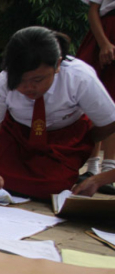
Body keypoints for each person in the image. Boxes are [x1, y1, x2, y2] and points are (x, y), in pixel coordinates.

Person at [0, 26, 115, 200]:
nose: (28, 87)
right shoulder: (2, 82)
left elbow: (110, 122)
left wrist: (87, 139)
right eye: (20, 80)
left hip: (63, 138)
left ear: (57, 65)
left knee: (53, 188)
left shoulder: (80, 77)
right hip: (17, 133)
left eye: (37, 80)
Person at [76, 0, 115, 194]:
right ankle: (91, 167)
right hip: (106, 32)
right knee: (93, 99)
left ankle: (109, 169)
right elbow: (94, 10)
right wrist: (104, 43)